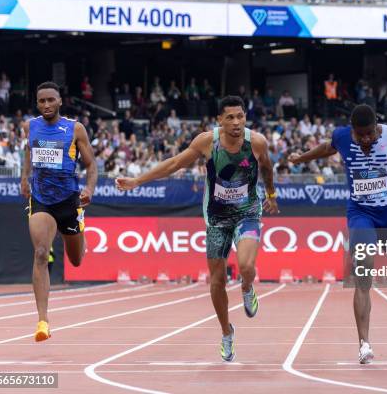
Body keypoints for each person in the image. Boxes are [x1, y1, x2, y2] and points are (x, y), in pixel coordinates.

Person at [116, 96, 279, 362]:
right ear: (219, 120)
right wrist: (137, 180)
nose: (236, 122)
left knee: (247, 266)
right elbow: (173, 164)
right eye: (230, 117)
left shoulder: (256, 142)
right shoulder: (207, 142)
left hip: (248, 212)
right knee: (217, 281)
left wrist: (270, 193)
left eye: (240, 116)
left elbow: (268, 168)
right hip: (216, 218)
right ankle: (227, 332)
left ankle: (248, 288)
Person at [288, 104, 387, 364]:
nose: (365, 140)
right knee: (363, 269)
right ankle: (364, 344)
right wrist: (300, 158)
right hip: (360, 212)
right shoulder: (342, 136)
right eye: (359, 135)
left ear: (376, 127)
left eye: (369, 134)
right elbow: (326, 148)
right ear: (352, 130)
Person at [20, 81, 98, 342]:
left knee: (76, 260)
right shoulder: (30, 126)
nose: (45, 105)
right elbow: (29, 153)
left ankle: (79, 230)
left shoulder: (75, 129)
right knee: (41, 253)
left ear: (59, 101)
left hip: (69, 201)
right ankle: (43, 321)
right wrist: (24, 178)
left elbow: (91, 163)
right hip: (41, 199)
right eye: (41, 101)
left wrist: (89, 188)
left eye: (50, 100)